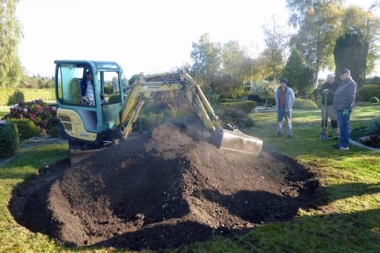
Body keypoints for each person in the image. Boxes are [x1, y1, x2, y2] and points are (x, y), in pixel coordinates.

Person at [333, 68, 357, 150]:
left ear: (347, 74)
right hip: (339, 108)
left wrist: (347, 109)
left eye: (341, 75)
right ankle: (342, 143)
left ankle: (345, 145)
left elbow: (351, 97)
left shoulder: (351, 84)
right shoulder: (344, 83)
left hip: (344, 109)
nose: (340, 77)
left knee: (344, 126)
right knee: (342, 127)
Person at [320, 73, 340, 139]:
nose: (329, 80)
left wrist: (329, 91)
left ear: (333, 78)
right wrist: (323, 91)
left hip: (332, 105)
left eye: (330, 78)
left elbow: (337, 94)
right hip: (324, 105)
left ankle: (336, 134)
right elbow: (320, 92)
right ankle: (324, 133)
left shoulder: (337, 84)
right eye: (328, 78)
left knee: (334, 119)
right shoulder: (325, 84)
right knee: (324, 119)